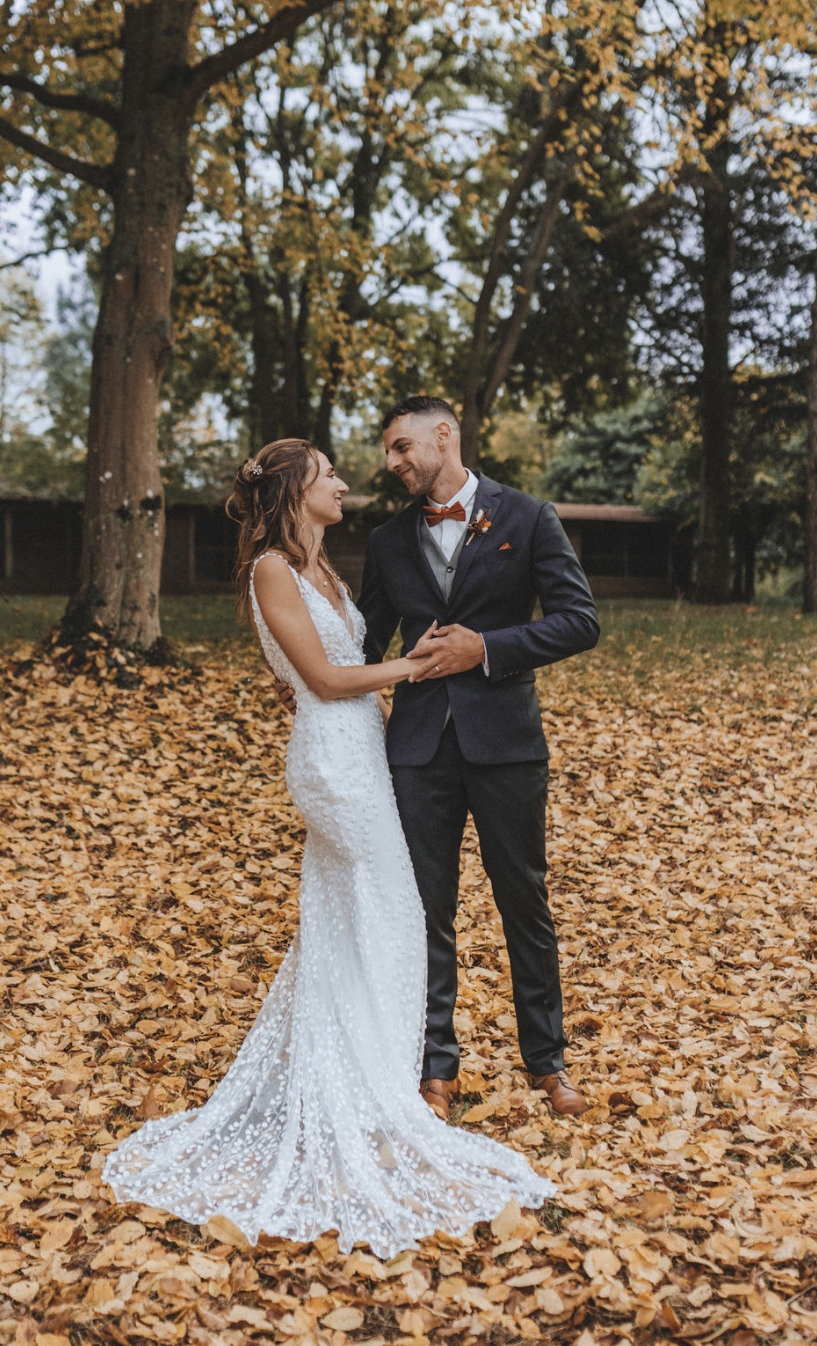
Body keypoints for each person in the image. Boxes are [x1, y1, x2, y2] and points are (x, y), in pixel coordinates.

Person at [102, 437, 554, 1257]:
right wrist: (413, 669)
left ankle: (367, 1075)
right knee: (391, 909)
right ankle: (374, 1089)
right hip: (334, 763)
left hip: (364, 752)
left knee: (366, 917)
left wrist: (380, 670)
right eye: (329, 475)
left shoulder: (325, 567)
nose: (345, 483)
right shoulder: (273, 568)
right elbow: (323, 679)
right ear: (296, 492)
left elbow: (336, 652)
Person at [279, 397, 599, 1120]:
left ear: (443, 436)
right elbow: (361, 640)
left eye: (400, 448)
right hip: (416, 752)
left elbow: (581, 622)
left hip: (508, 746)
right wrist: (306, 677)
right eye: (389, 453)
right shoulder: (390, 538)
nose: (391, 464)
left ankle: (547, 1062)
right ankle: (435, 1068)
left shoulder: (528, 517)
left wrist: (485, 648)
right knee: (425, 908)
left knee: (525, 901)